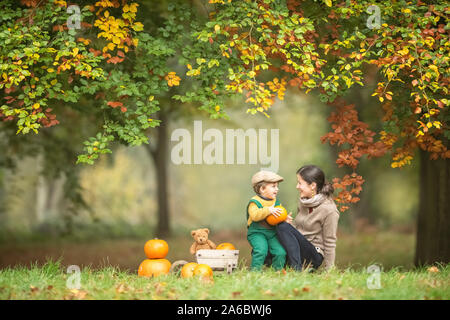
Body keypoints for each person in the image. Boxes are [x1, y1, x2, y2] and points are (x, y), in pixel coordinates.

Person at [276, 165, 339, 271]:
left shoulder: (329, 210)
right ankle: (289, 266)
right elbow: (299, 230)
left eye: (300, 183)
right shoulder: (303, 202)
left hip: (314, 254)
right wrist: (289, 224)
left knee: (282, 227)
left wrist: (329, 270)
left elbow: (330, 241)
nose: (297, 186)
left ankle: (297, 269)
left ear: (312, 185)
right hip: (299, 249)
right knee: (271, 243)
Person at [246, 170, 287, 271]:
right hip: (257, 232)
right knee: (261, 250)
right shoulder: (254, 202)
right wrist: (268, 210)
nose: (277, 189)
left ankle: (277, 272)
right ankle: (255, 273)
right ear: (262, 189)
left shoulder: (275, 202)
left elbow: (278, 216)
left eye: (277, 186)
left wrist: (285, 219)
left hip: (272, 233)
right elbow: (255, 215)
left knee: (280, 252)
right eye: (273, 186)